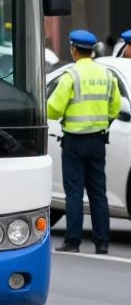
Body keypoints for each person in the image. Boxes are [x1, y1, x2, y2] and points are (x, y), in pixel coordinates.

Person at [47, 29, 121, 254]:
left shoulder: (71, 75)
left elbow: (53, 108)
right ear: (91, 51)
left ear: (73, 49)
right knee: (98, 192)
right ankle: (102, 243)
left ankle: (73, 241)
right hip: (98, 141)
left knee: (75, 193)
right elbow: (116, 106)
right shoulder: (107, 74)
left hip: (74, 143)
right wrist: (102, 122)